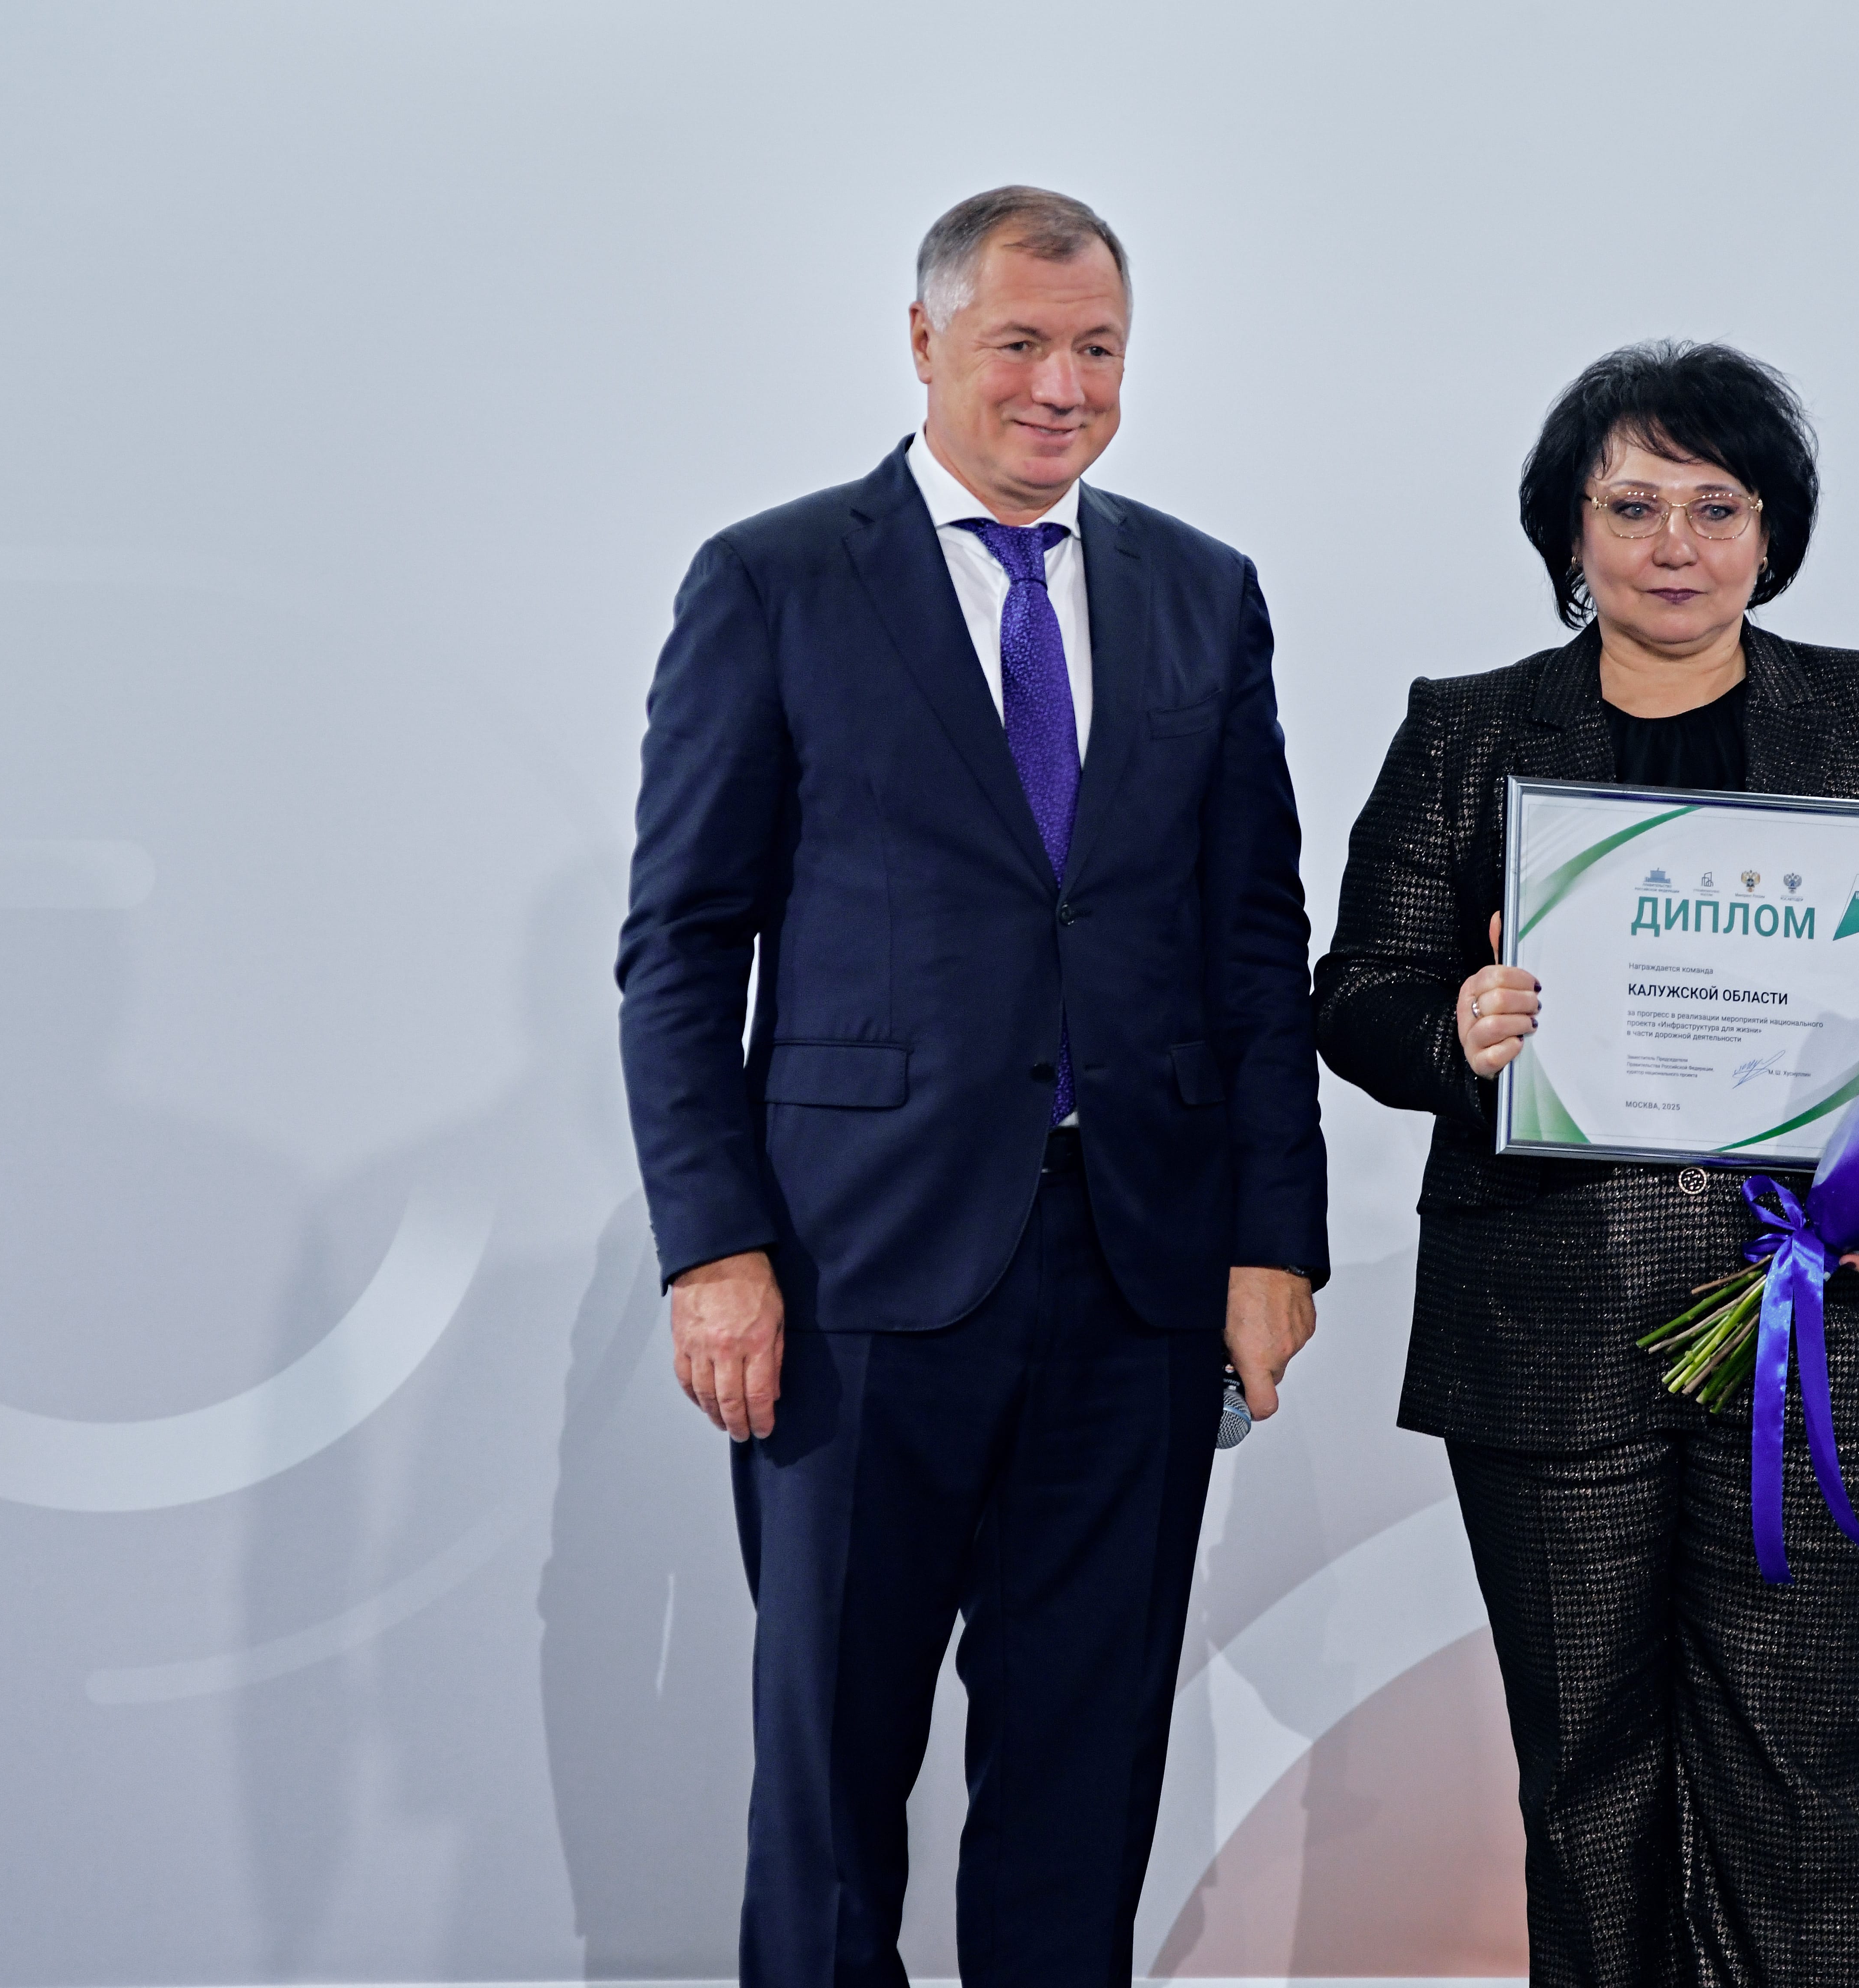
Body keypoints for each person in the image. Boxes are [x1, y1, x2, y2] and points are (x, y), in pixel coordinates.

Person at [617, 185, 1328, 1988]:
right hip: (854, 1275)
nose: (1060, 387)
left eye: (1097, 349)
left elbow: (1254, 943)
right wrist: (713, 1248)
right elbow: (683, 947)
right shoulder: (775, 580)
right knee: (830, 1780)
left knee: (1085, 1781)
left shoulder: (1203, 592)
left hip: (1137, 1273)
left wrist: (1273, 1241)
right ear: (925, 340)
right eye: (1020, 343)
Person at [1313, 340, 1859, 1987]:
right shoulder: (1464, 732)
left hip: (1827, 1330)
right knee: (1588, 1787)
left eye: (1717, 506)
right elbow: (1354, 994)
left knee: (1811, 1787)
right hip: (1548, 1336)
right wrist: (1455, 1028)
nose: (1675, 545)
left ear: (1770, 534)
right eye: (1631, 507)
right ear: (1570, 533)